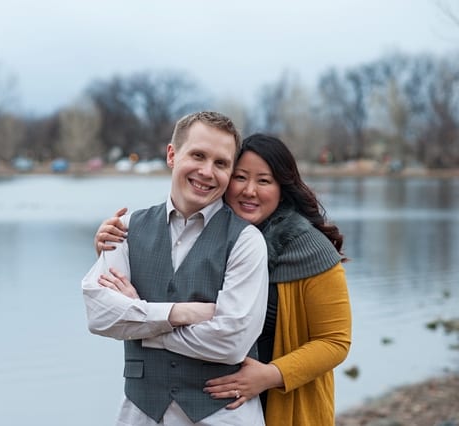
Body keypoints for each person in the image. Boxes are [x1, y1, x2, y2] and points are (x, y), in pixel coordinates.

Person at [95, 133, 352, 426]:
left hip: (283, 397)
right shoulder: (207, 235)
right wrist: (111, 247)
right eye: (240, 177)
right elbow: (142, 283)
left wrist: (270, 376)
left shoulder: (309, 249)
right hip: (212, 406)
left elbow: (335, 341)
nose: (249, 191)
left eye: (264, 181)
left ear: (283, 188)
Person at [82, 112, 269, 426]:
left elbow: (232, 340)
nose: (207, 172)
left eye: (221, 163)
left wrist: (141, 317)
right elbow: (99, 315)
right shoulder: (125, 228)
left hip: (224, 416)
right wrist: (178, 313)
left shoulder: (247, 241)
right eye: (198, 155)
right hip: (139, 414)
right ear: (172, 155)